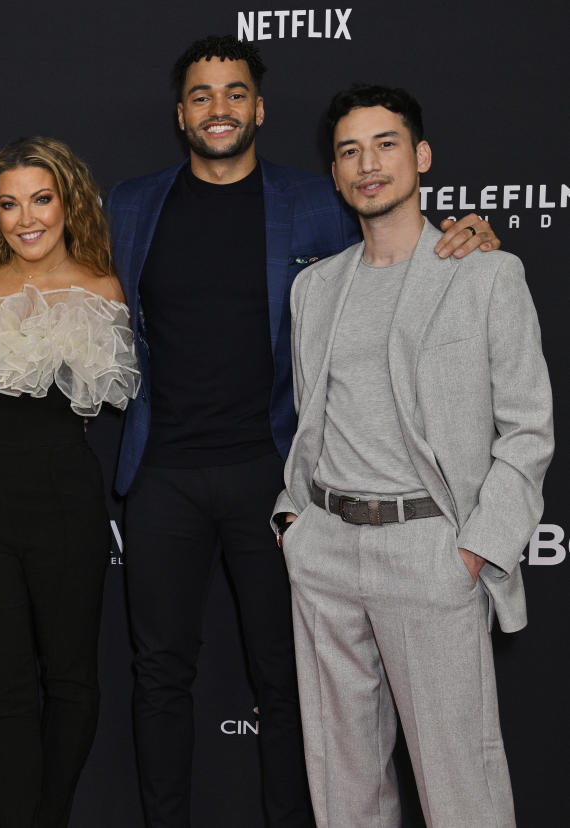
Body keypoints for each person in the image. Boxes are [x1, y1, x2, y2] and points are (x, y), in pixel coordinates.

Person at [106, 35, 500, 828]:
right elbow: (62, 280)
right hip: (164, 473)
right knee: (158, 678)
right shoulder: (130, 203)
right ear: (181, 114)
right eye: (202, 95)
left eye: (234, 92)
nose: (219, 108)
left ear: (259, 106)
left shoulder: (318, 201)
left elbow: (398, 256)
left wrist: (474, 237)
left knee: (290, 683)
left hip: (275, 469)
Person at [272, 84, 550, 828]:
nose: (368, 164)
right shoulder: (314, 289)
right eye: (349, 151)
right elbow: (311, 419)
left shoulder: (487, 273)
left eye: (385, 144)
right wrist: (293, 518)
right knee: (343, 787)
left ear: (421, 157)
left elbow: (528, 432)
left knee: (463, 790)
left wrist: (472, 551)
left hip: (429, 554)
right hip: (326, 548)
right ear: (333, 173)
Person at [0, 136, 140, 828]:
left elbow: (101, 402)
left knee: (73, 682)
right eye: (10, 203)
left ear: (68, 202)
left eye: (41, 199)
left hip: (66, 510)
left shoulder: (100, 289)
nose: (27, 217)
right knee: (5, 688)